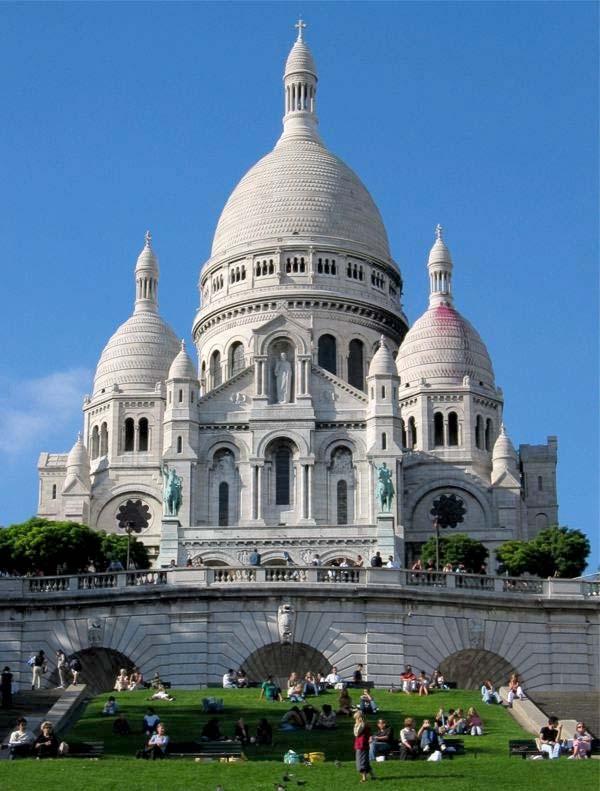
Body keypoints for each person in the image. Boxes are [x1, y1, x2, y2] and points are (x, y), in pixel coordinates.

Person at [353, 711, 375, 782]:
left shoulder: (361, 725)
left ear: (358, 718)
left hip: (361, 745)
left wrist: (356, 725)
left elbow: (356, 733)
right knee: (365, 762)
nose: (355, 720)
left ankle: (364, 778)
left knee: (361, 762)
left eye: (356, 718)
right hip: (363, 745)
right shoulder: (366, 724)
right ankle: (373, 776)